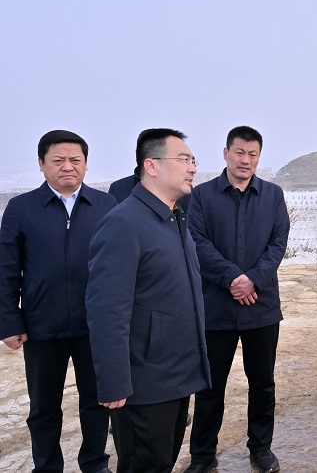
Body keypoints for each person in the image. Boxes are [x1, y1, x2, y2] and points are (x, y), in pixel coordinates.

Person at [85, 128, 211, 473]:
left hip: (176, 376)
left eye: (193, 160)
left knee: (162, 463)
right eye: (184, 159)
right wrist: (113, 382)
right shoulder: (123, 223)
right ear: (151, 166)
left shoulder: (174, 217)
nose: (192, 168)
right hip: (144, 384)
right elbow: (107, 311)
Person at [0, 130, 116, 473]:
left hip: (94, 326)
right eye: (58, 160)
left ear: (86, 164)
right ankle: (47, 466)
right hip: (42, 325)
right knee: (44, 408)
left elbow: (120, 266)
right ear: (41, 164)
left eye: (75, 160)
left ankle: (94, 463)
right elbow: (6, 269)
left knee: (97, 402)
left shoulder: (106, 205)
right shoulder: (21, 209)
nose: (68, 166)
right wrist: (9, 320)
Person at [183, 126, 289, 473]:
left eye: (252, 154)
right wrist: (232, 278)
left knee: (262, 384)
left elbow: (278, 243)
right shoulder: (202, 196)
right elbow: (197, 242)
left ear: (259, 157)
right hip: (217, 307)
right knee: (210, 387)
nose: (246, 160)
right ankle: (203, 455)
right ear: (226, 153)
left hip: (261, 305)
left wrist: (252, 279)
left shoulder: (273, 195)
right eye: (240, 152)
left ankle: (260, 447)